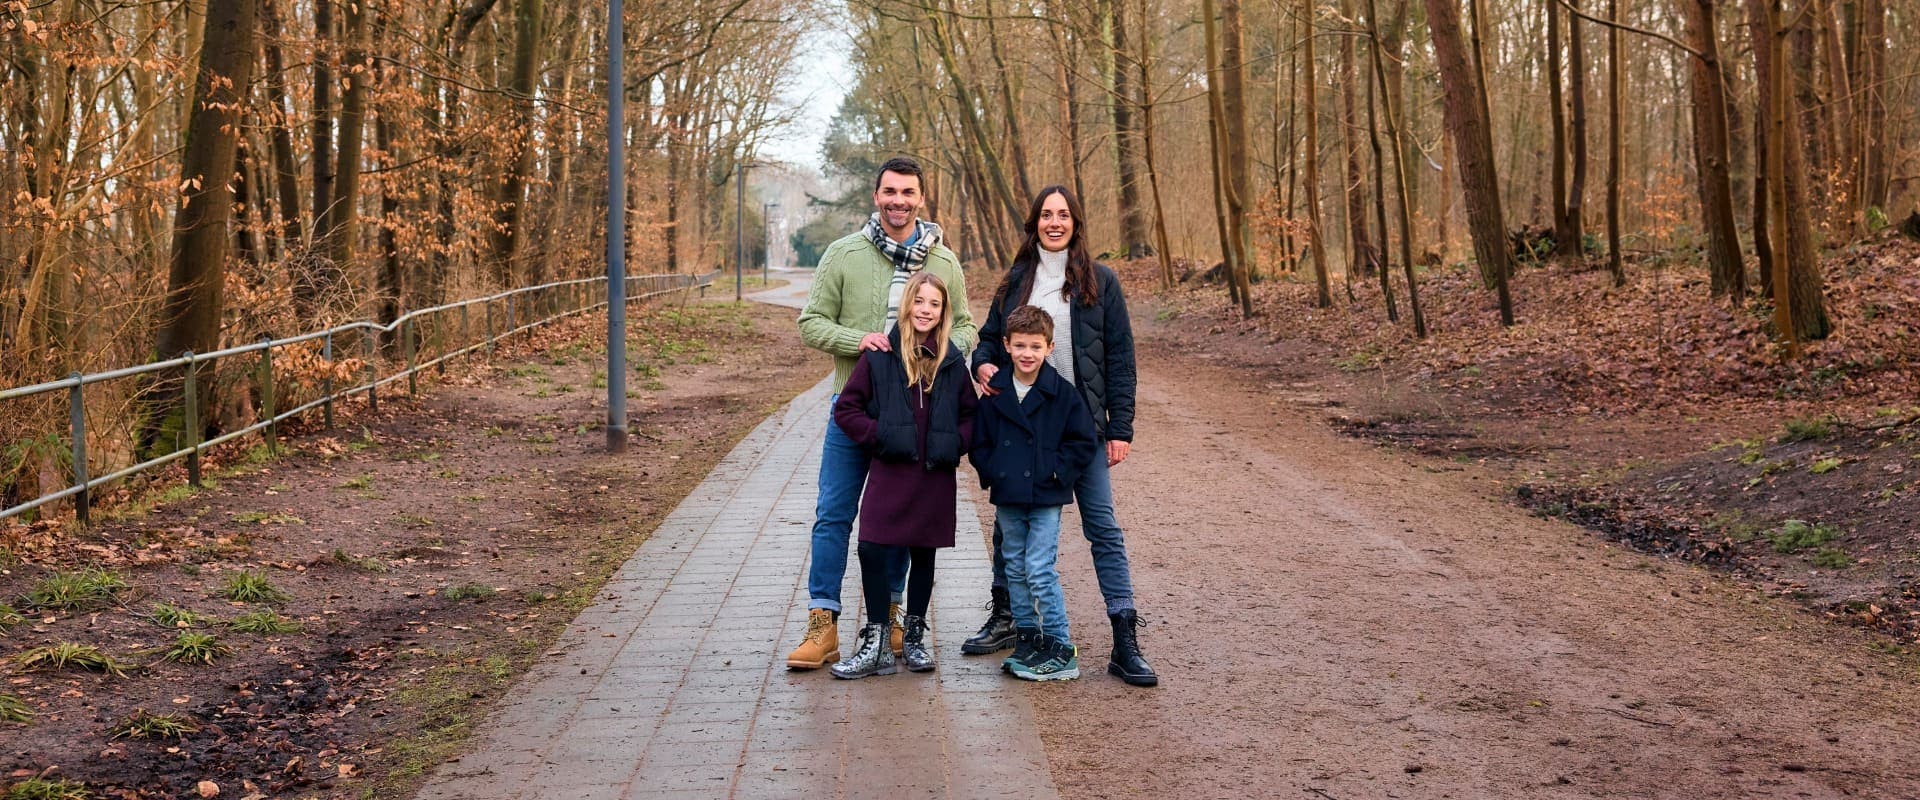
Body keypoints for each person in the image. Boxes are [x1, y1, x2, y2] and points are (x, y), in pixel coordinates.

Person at [963, 185, 1158, 687]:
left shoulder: (1101, 282)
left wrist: (1121, 428)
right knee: (1012, 529)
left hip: (1083, 429)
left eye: (1063, 214)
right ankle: (1011, 619)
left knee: (1103, 529)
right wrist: (984, 364)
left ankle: (1124, 637)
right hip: (1024, 425)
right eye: (1046, 214)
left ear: (1076, 222)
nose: (1055, 222)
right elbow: (988, 339)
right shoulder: (1016, 282)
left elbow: (1121, 359)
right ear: (1034, 223)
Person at [787, 156, 976, 670]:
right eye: (889, 192)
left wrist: (935, 354)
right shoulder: (843, 254)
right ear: (876, 196)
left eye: (908, 192)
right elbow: (811, 323)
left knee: (901, 518)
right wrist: (860, 339)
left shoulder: (945, 263)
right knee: (834, 514)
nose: (899, 201)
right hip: (852, 405)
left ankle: (894, 615)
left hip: (916, 415)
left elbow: (967, 330)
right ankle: (822, 624)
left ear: (921, 197)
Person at [827, 272, 978, 679]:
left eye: (935, 304)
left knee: (922, 553)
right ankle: (876, 641)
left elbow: (970, 415)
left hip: (934, 474)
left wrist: (954, 443)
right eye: (920, 301)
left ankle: (912, 636)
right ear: (907, 304)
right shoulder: (880, 356)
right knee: (872, 547)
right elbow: (847, 409)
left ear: (943, 312)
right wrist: (879, 436)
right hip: (890, 468)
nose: (926, 310)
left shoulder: (951, 361)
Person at [969, 306, 1099, 681]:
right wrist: (993, 472)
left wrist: (1057, 472)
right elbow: (979, 442)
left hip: (1046, 496)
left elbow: (1082, 440)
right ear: (1006, 346)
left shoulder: (1062, 393)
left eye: (1036, 346)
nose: (1028, 354)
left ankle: (1060, 647)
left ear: (1049, 347)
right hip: (1008, 493)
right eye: (1020, 345)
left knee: (1039, 569)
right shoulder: (995, 394)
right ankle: (1027, 639)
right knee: (1014, 567)